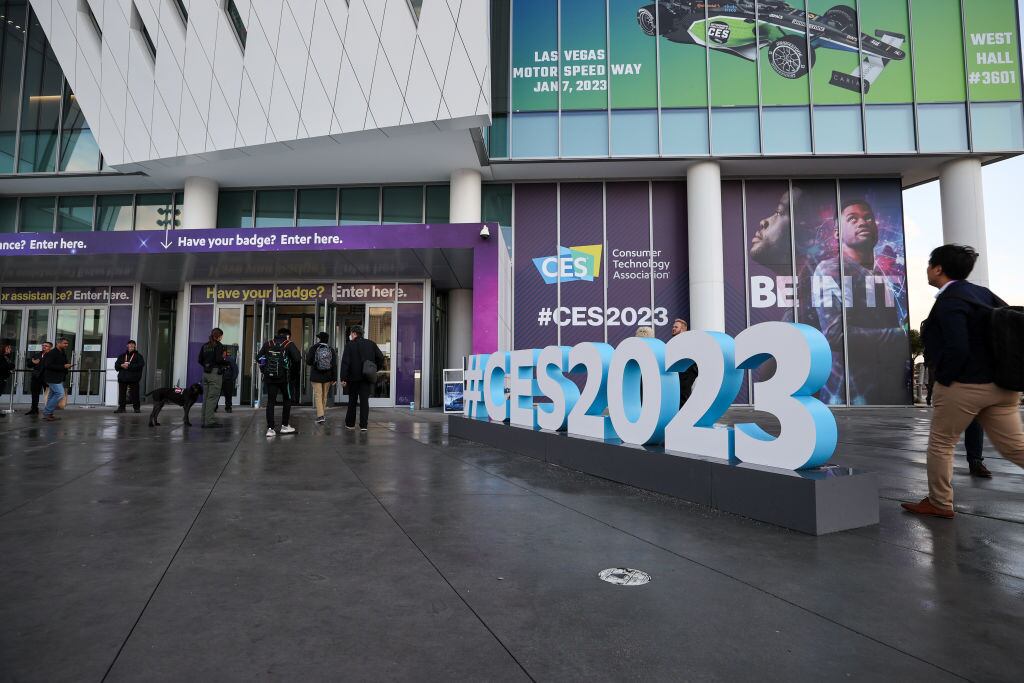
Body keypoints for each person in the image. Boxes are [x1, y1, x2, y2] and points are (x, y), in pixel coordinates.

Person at [902, 245, 1024, 519]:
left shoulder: (950, 300)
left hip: (966, 386)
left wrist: (944, 379)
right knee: (1015, 447)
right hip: (1003, 385)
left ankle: (939, 502)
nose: (927, 269)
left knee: (942, 443)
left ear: (938, 269)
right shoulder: (983, 294)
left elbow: (957, 347)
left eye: (929, 264)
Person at [813, 199, 908, 404]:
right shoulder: (831, 269)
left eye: (868, 218)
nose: (863, 222)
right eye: (852, 219)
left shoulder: (882, 275)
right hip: (848, 395)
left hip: (886, 393)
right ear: (837, 233)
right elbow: (834, 333)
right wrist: (899, 336)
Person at [922, 320, 990, 478]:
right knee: (945, 429)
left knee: (974, 420)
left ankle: (975, 461)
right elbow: (931, 354)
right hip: (947, 380)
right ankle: (943, 471)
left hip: (968, 379)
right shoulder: (935, 323)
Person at [340, 324, 384, 431]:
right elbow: (380, 357)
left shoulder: (349, 345)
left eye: (351, 333)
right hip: (366, 378)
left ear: (354, 333)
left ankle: (350, 424)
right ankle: (364, 425)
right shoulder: (371, 344)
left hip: (353, 378)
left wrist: (343, 378)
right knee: (364, 402)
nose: (351, 335)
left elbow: (345, 363)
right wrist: (374, 368)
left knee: (352, 401)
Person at [258, 328, 301, 436]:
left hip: (270, 378)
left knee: (270, 402)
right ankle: (284, 426)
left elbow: (258, 357)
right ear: (287, 336)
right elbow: (297, 359)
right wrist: (292, 373)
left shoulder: (268, 344)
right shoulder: (289, 344)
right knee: (287, 400)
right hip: (284, 379)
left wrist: (264, 370)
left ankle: (270, 429)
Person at [197, 328, 230, 428]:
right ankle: (210, 421)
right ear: (219, 336)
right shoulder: (219, 346)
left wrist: (206, 366)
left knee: (206, 398)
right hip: (215, 374)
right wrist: (227, 363)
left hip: (205, 374)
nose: (222, 337)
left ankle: (204, 421)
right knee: (212, 398)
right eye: (221, 336)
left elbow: (199, 360)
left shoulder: (205, 346)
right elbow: (219, 359)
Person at [306, 331, 337, 425]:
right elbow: (334, 365)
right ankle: (322, 415)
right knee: (324, 396)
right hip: (327, 376)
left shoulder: (314, 348)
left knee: (318, 395)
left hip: (316, 375)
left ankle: (320, 416)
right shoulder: (331, 349)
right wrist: (334, 378)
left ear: (319, 339)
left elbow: (308, 361)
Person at [41, 338, 72, 422]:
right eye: (64, 343)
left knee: (52, 395)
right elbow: (48, 365)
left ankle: (48, 414)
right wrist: (63, 366)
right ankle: (47, 412)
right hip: (52, 378)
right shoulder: (52, 353)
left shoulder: (62, 352)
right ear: (58, 343)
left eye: (67, 343)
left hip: (58, 377)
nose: (66, 345)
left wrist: (66, 366)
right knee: (60, 393)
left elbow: (60, 363)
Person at [670, 319, 699, 405]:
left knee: (683, 395)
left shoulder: (689, 340)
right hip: (679, 372)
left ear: (682, 329)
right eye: (673, 327)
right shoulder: (674, 341)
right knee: (678, 395)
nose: (673, 328)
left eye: (676, 327)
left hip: (688, 372)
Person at [114, 340, 145, 413]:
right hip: (123, 378)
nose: (131, 346)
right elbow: (116, 366)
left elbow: (140, 365)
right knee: (122, 394)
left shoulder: (139, 356)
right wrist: (121, 365)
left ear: (135, 346)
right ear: (127, 346)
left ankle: (136, 408)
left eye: (132, 344)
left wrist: (129, 366)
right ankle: (121, 408)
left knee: (135, 394)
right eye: (129, 344)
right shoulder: (122, 356)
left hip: (133, 378)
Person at [25, 341, 51, 416]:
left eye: (46, 346)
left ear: (50, 348)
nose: (44, 347)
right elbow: (29, 365)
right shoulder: (37, 355)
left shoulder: (52, 355)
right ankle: (34, 409)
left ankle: (48, 410)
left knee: (48, 394)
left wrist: (39, 362)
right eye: (43, 345)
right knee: (34, 394)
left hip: (47, 377)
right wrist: (33, 362)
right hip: (36, 377)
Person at [216, 348, 239, 414]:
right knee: (216, 394)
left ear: (225, 353)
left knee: (228, 395)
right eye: (221, 353)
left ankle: (228, 407)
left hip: (228, 380)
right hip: (219, 380)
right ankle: (214, 407)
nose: (223, 354)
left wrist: (232, 379)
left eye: (224, 353)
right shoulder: (218, 360)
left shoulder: (230, 359)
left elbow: (235, 369)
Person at [0, 341, 13, 407]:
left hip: (3, 378)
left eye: (10, 348)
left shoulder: (7, 357)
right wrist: (9, 368)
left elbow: (11, 365)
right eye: (8, 348)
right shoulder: (2, 357)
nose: (10, 349)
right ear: (4, 349)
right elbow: (5, 366)